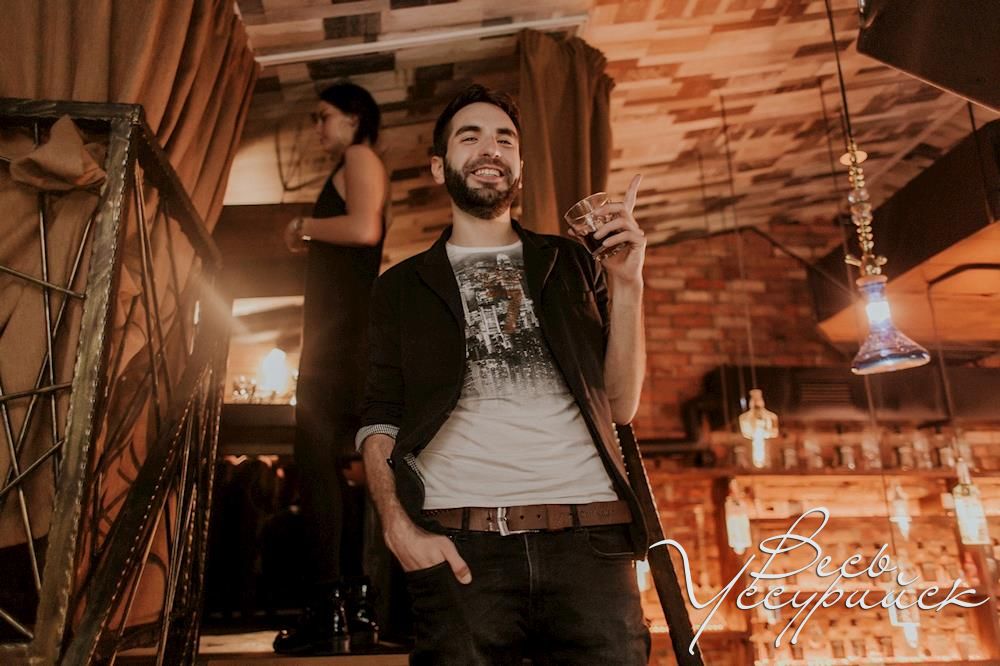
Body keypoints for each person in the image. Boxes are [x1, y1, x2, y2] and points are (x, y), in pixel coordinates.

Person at [356, 84, 651, 664]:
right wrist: (397, 527)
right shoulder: (400, 288)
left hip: (592, 547)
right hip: (463, 554)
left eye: (505, 140)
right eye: (470, 137)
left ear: (520, 167)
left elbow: (620, 404)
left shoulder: (573, 263)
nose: (490, 148)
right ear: (439, 167)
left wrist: (628, 283)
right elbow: (380, 417)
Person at [274, 81, 386, 655]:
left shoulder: (360, 156)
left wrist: (303, 226)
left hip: (340, 340)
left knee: (316, 462)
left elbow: (366, 228)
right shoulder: (353, 163)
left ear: (354, 118)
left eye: (323, 117)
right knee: (336, 469)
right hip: (342, 337)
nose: (317, 128)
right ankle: (353, 605)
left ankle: (328, 612)